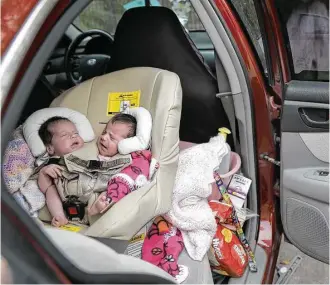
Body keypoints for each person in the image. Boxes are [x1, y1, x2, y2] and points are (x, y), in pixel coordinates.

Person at [37, 113, 154, 226]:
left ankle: (102, 206)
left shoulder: (120, 156)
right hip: (67, 195)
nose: (103, 137)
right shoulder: (55, 161)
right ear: (50, 148)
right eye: (64, 135)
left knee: (109, 190)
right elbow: (45, 187)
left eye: (75, 133)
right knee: (51, 190)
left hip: (97, 195)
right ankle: (59, 216)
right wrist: (44, 172)